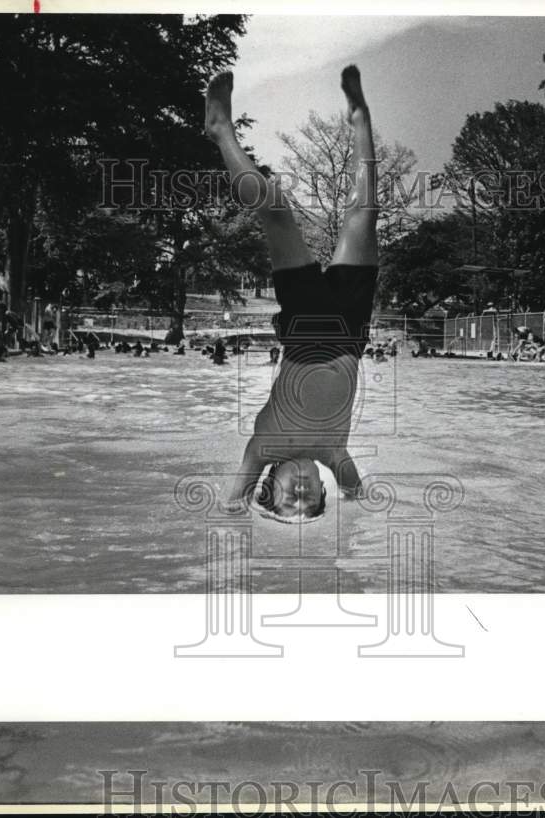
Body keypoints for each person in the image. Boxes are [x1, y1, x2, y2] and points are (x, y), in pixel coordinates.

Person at [208, 66, 373, 520]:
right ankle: (361, 118)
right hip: (354, 333)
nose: (301, 493)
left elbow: (230, 509)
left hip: (309, 334)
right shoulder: (336, 456)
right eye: (311, 500)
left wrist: (234, 514)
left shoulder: (263, 446)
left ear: (269, 484)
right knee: (364, 213)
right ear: (325, 488)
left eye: (288, 499)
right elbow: (368, 508)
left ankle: (221, 132)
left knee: (276, 211)